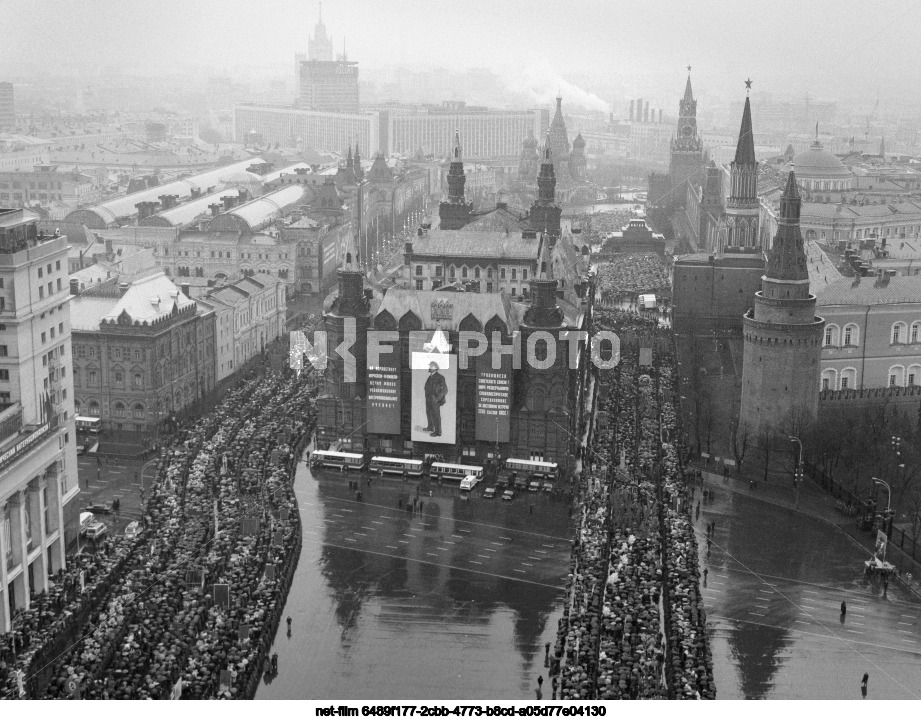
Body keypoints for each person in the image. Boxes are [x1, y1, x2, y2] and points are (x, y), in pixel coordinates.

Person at [422, 360, 448, 437]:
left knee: (436, 415)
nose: (429, 368)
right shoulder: (430, 377)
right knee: (429, 413)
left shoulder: (440, 377)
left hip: (434, 399)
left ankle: (438, 432)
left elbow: (444, 390)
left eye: (431, 366)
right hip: (428, 398)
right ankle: (430, 427)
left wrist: (437, 399)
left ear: (436, 368)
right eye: (430, 366)